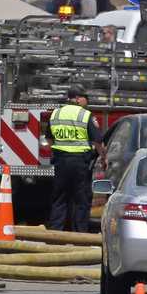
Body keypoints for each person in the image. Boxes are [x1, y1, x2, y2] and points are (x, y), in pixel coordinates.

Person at [46, 84, 105, 232]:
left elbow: (49, 139)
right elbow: (97, 141)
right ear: (78, 99)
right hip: (80, 163)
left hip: (61, 162)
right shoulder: (85, 115)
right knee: (81, 200)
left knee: (59, 199)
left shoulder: (55, 114)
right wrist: (104, 157)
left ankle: (55, 234)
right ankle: (80, 236)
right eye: (86, 98)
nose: (87, 101)